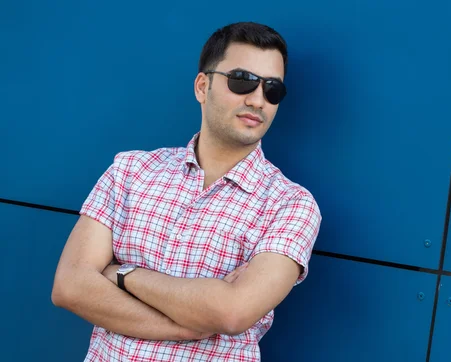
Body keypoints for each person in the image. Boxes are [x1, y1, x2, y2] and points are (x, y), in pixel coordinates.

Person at [51, 21, 322, 362]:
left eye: (272, 90)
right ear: (201, 86)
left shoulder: (291, 205)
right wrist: (184, 325)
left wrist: (121, 273)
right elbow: (70, 286)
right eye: (242, 81)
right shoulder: (130, 171)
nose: (257, 100)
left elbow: (232, 314)